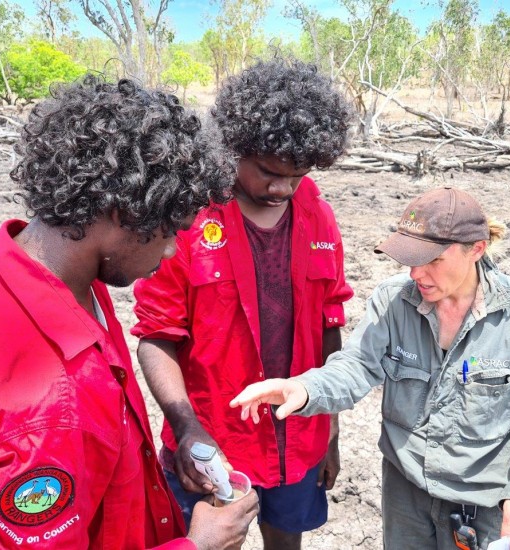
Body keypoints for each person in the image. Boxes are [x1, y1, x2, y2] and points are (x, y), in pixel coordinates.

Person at [0, 76, 258, 549]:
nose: (176, 250)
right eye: (172, 229)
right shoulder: (46, 408)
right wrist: (197, 546)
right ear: (122, 212)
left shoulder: (47, 274)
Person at [231, 186, 510, 550]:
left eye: (432, 260)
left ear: (476, 250)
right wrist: (305, 388)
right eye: (410, 259)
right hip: (406, 494)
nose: (416, 273)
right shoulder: (393, 300)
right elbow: (357, 365)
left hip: (484, 505)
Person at [131, 59, 354, 550]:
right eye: (270, 173)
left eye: (297, 175)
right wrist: (186, 427)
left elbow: (328, 329)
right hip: (211, 447)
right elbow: (156, 336)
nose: (283, 189)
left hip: (300, 441)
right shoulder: (189, 217)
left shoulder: (318, 216)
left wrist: (331, 432)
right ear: (232, 147)